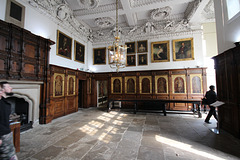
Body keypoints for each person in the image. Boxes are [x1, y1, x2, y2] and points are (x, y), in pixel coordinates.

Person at [0, 81, 18, 160]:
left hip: (6, 133)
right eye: (8, 87)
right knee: (9, 156)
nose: (11, 88)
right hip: (3, 135)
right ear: (2, 90)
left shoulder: (4, 101)